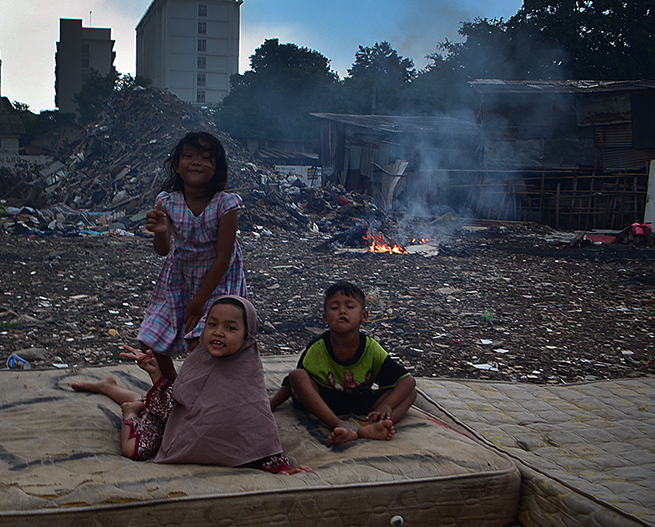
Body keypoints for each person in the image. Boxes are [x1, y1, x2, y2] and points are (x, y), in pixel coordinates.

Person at [72, 296, 309, 474]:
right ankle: (130, 409)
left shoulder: (249, 376)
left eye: (230, 328)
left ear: (248, 335)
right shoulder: (200, 360)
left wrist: (280, 467)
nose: (218, 333)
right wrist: (155, 372)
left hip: (191, 423)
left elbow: (257, 428)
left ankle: (114, 389)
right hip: (176, 422)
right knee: (133, 449)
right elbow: (176, 402)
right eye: (212, 324)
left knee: (147, 400)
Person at [138, 132, 247, 381]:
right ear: (176, 165)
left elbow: (224, 257)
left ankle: (204, 392)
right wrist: (161, 232)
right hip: (180, 277)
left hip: (219, 280)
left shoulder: (226, 204)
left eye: (206, 158)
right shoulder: (166, 202)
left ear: (217, 168)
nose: (196, 162)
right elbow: (163, 250)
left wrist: (199, 302)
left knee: (206, 343)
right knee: (151, 340)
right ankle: (176, 390)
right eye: (188, 156)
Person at [271, 281, 416, 446]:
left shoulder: (371, 349)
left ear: (364, 316)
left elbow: (407, 380)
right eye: (334, 308)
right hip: (323, 401)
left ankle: (376, 426)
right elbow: (294, 381)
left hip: (359, 398)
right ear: (325, 318)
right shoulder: (318, 348)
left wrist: (387, 406)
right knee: (297, 375)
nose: (342, 311)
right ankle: (339, 426)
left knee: (410, 394)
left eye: (350, 307)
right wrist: (273, 404)